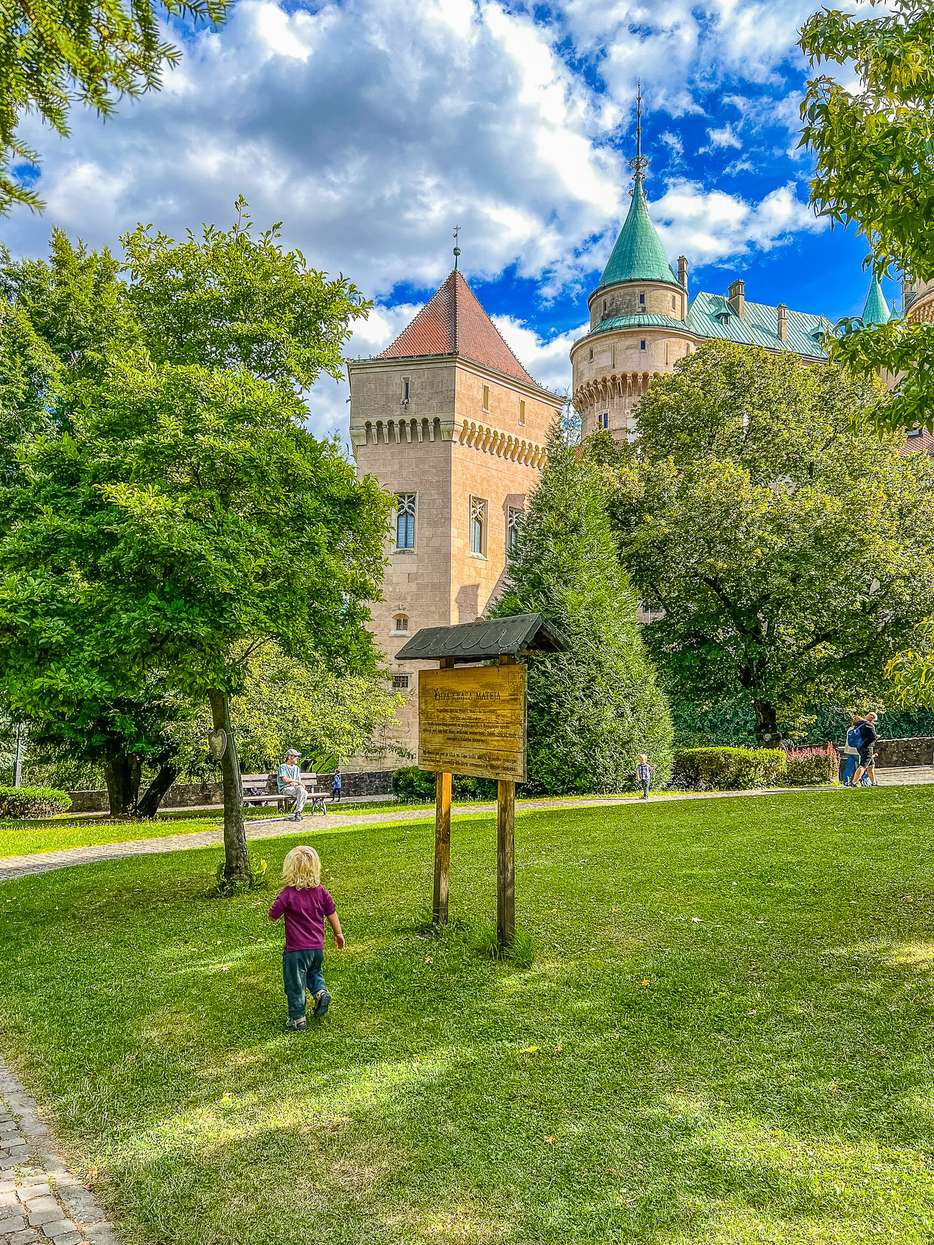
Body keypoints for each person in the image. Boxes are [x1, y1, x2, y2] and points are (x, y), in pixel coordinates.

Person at [269, 845, 345, 1031]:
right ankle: (320, 993)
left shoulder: (287, 893)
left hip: (295, 951)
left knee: (295, 983)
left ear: (290, 870)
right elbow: (332, 912)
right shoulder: (321, 891)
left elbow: (273, 915)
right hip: (316, 948)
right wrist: (338, 934)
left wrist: (276, 906)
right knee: (314, 973)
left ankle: (297, 1018)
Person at [849, 712, 879, 787]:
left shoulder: (859, 725)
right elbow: (873, 737)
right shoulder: (868, 725)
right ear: (871, 718)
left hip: (860, 747)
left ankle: (874, 783)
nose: (873, 721)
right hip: (867, 747)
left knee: (871, 765)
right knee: (863, 765)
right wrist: (876, 737)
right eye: (873, 719)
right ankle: (854, 782)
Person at [277, 748, 307, 821]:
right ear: (290, 757)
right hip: (285, 789)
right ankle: (297, 813)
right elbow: (285, 780)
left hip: (295, 788)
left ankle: (297, 812)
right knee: (301, 791)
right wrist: (296, 782)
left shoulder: (296, 768)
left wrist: (296, 783)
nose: (297, 758)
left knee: (304, 792)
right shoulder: (283, 767)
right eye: (296, 756)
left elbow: (298, 781)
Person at [840, 715, 864, 787]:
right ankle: (859, 782)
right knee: (861, 767)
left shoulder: (850, 729)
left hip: (849, 750)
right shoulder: (862, 729)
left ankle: (846, 782)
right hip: (858, 751)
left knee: (849, 767)